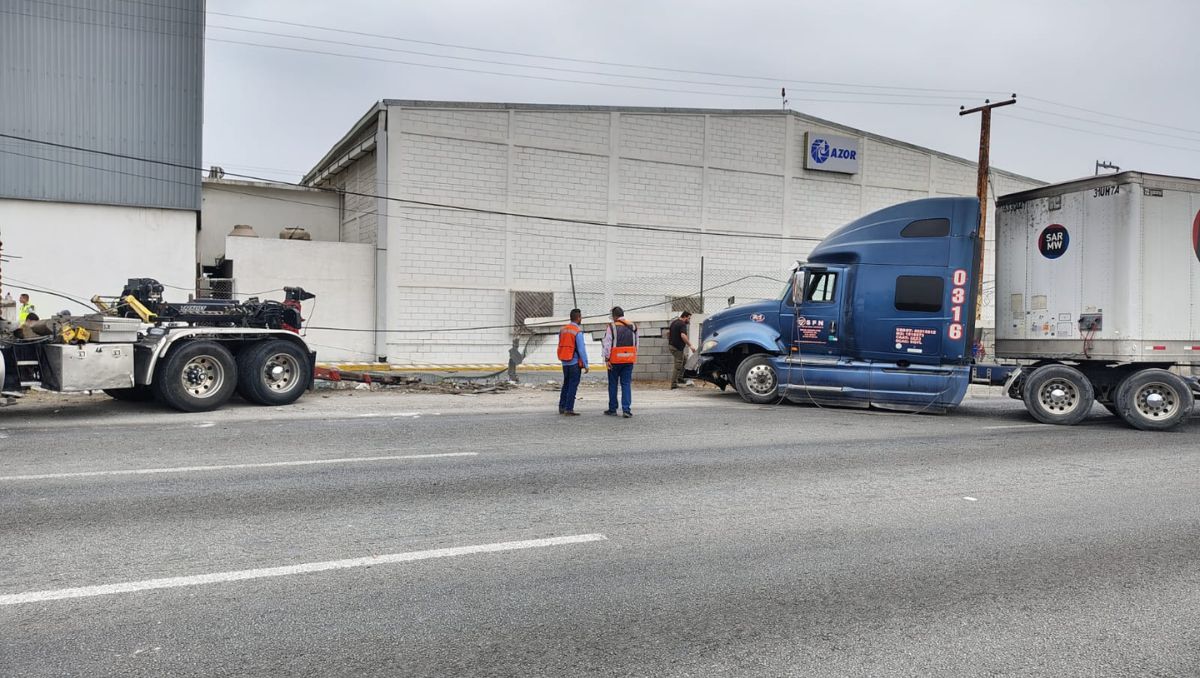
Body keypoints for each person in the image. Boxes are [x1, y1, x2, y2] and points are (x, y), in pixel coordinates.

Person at [602, 306, 638, 418]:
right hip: (628, 360)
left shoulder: (611, 327)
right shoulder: (633, 326)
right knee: (626, 384)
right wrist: (633, 356)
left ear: (614, 316)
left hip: (614, 361)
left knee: (613, 384)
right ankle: (626, 409)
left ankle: (613, 409)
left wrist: (606, 358)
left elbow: (607, 344)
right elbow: (637, 343)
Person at [556, 309, 589, 415]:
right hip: (574, 362)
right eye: (581, 317)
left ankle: (562, 407)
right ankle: (569, 409)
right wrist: (586, 364)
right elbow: (581, 349)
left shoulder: (562, 330)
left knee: (566, 384)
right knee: (572, 385)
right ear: (578, 318)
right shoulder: (577, 331)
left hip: (564, 361)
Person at [668, 311, 695, 389]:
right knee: (678, 365)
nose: (689, 320)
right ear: (685, 317)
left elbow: (669, 333)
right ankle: (673, 384)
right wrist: (690, 346)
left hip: (672, 346)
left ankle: (680, 378)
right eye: (689, 318)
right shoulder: (682, 324)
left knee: (685, 360)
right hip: (677, 348)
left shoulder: (674, 322)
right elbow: (683, 335)